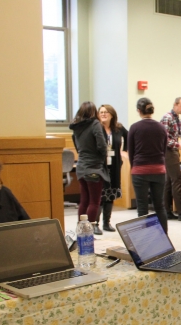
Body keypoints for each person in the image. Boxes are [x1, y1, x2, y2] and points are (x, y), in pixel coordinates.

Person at [127, 97, 168, 233]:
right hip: (159, 169)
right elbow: (164, 149)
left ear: (139, 111)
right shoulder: (161, 127)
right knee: (160, 206)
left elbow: (131, 151)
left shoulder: (134, 127)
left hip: (140, 170)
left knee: (142, 207)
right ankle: (164, 237)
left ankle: (145, 238)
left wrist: (134, 167)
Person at [70, 101, 109, 234]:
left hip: (81, 166)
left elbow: (77, 146)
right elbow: (102, 146)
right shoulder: (95, 124)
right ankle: (89, 231)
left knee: (84, 201)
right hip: (94, 167)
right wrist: (102, 156)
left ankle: (81, 230)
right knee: (94, 202)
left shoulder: (76, 127)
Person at [96, 104, 128, 232]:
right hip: (99, 165)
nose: (103, 114)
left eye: (106, 112)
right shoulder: (96, 128)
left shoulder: (118, 128)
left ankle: (106, 223)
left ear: (112, 114)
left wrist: (125, 150)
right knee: (99, 195)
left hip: (114, 164)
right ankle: (95, 224)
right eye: (101, 112)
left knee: (111, 193)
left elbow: (129, 136)